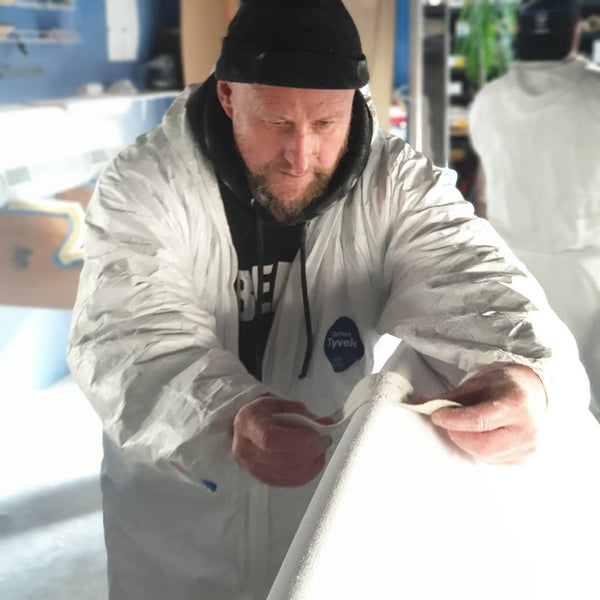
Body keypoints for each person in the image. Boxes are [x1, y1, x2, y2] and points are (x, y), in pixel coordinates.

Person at [67, 0, 589, 598]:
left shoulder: (392, 185)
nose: (301, 157)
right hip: (180, 522)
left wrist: (528, 379)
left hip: (320, 516)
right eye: (277, 124)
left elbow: (483, 286)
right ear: (229, 97)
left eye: (324, 125)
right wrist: (227, 413)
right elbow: (127, 337)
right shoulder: (146, 184)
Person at [469, 0, 600, 420]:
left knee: (526, 400)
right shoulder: (594, 93)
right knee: (585, 401)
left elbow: (482, 195)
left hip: (513, 274)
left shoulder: (489, 100)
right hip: (587, 275)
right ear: (575, 33)